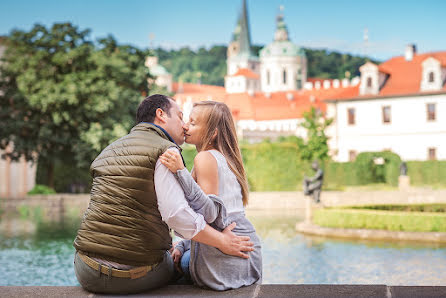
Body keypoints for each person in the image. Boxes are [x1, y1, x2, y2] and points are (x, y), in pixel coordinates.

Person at [73, 94, 254, 294]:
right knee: (185, 265)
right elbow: (177, 215)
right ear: (161, 115)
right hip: (130, 276)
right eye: (180, 116)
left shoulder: (108, 150)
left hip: (85, 271)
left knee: (174, 251)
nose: (184, 125)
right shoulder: (165, 152)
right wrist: (223, 241)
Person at [159, 101, 262, 291]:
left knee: (167, 266)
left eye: (193, 123)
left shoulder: (205, 158)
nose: (185, 126)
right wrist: (183, 245)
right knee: (179, 255)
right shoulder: (227, 160)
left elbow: (208, 214)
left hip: (225, 263)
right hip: (248, 262)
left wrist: (180, 171)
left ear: (213, 133)